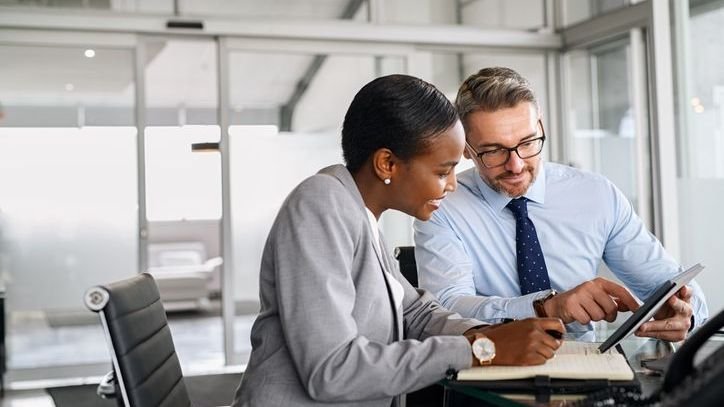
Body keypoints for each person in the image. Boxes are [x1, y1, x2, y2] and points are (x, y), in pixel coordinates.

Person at [231, 74, 564, 407]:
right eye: (441, 171)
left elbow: (415, 313)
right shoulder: (321, 204)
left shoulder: (360, 214)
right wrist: (481, 350)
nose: (451, 185)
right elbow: (332, 371)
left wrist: (491, 334)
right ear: (387, 163)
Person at [414, 67, 708, 342]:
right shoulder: (442, 206)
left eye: (528, 142)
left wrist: (685, 313)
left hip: (591, 372)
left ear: (540, 125)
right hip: (491, 375)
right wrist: (545, 308)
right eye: (493, 151)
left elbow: (670, 282)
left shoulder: (595, 194)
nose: (516, 165)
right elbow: (446, 310)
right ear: (466, 148)